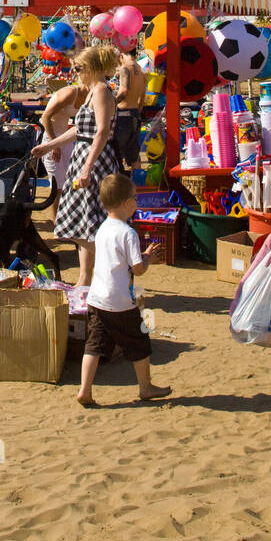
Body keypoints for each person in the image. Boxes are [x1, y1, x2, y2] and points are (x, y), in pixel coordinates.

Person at [77, 173, 171, 408]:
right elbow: (138, 269)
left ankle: (84, 390)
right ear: (127, 203)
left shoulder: (102, 229)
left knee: (94, 346)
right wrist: (148, 257)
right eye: (135, 199)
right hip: (120, 302)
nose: (136, 203)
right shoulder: (127, 233)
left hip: (97, 298)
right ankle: (145, 387)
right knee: (140, 343)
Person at [38, 44, 120, 287]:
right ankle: (86, 279)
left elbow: (102, 132)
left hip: (95, 161)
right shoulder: (93, 91)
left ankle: (93, 278)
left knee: (93, 222)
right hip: (84, 156)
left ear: (93, 68)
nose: (76, 72)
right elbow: (80, 131)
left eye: (79, 68)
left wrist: (87, 167)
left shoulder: (103, 91)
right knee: (85, 223)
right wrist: (48, 145)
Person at [38, 77, 86, 214]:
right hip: (51, 138)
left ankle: (65, 221)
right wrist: (53, 145)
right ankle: (55, 227)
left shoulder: (90, 95)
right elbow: (45, 117)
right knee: (57, 187)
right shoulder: (69, 93)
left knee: (70, 183)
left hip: (66, 139)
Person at [115, 50, 147, 170]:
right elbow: (141, 101)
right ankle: (137, 184)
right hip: (134, 114)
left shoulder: (125, 69)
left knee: (117, 153)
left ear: (122, 55)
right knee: (134, 155)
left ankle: (117, 185)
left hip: (123, 114)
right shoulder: (143, 71)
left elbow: (123, 92)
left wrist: (111, 102)